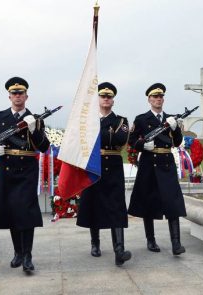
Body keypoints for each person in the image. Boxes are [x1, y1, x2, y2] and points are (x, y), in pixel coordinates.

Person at [0, 77, 50, 273]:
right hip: (7, 168)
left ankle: (28, 255)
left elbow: (44, 146)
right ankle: (18, 252)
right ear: (9, 96)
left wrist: (34, 129)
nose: (17, 96)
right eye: (14, 93)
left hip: (27, 170)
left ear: (26, 96)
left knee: (27, 212)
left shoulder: (35, 118)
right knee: (12, 211)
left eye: (20, 93)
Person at [76, 82, 131, 266]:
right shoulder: (88, 121)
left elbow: (120, 139)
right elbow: (81, 140)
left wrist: (96, 132)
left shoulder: (121, 121)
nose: (106, 99)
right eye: (102, 96)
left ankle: (119, 250)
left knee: (116, 206)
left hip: (113, 168)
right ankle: (95, 243)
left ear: (113, 101)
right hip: (93, 167)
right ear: (97, 99)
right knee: (93, 204)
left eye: (109, 96)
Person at [128, 83, 186, 256]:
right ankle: (151, 240)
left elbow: (176, 142)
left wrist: (175, 129)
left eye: (160, 97)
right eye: (155, 97)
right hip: (148, 162)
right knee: (148, 201)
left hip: (166, 161)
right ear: (149, 99)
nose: (158, 99)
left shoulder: (171, 119)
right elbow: (131, 140)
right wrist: (142, 145)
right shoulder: (141, 119)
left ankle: (176, 243)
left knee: (172, 202)